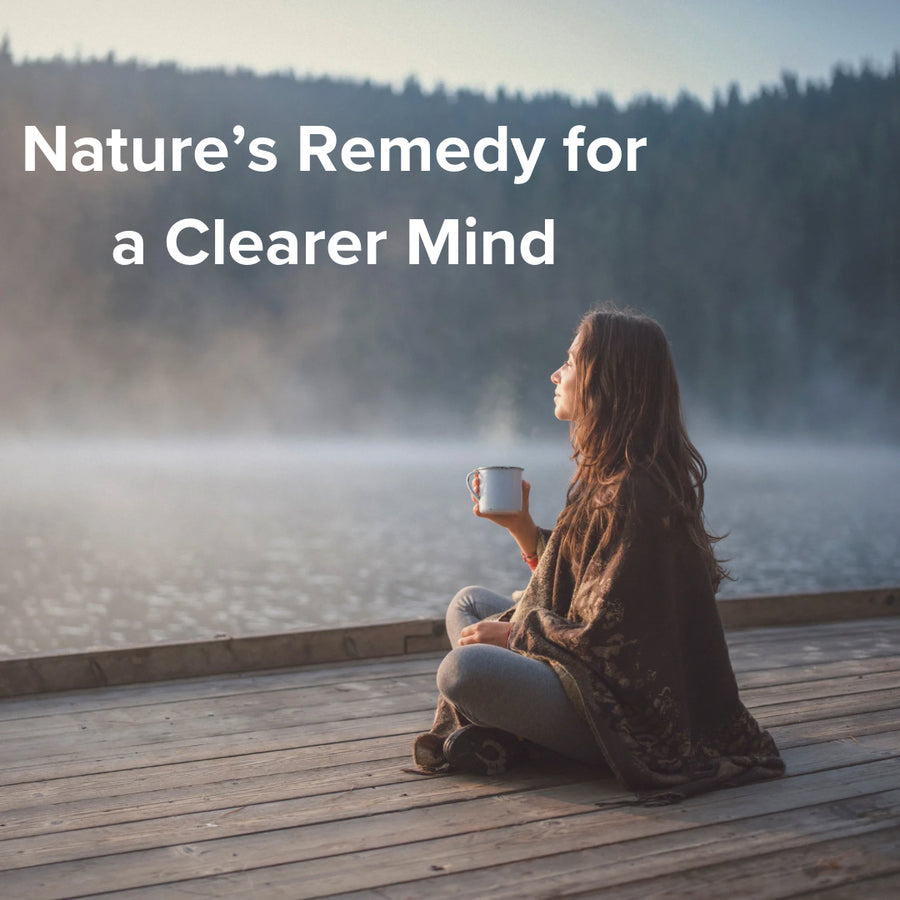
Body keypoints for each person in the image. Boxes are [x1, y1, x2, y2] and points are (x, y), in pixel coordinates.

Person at [413, 305, 785, 801]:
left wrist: (516, 634)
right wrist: (522, 528)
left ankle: (519, 733)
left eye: (569, 361)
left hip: (627, 715)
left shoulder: (636, 491)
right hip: (587, 672)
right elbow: (583, 582)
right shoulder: (611, 473)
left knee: (464, 671)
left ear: (606, 378)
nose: (556, 373)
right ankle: (512, 723)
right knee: (469, 604)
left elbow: (614, 639)